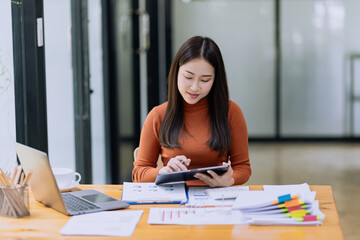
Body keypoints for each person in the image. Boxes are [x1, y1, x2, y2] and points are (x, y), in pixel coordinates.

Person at [132, 36, 251, 187]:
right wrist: (163, 171)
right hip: (173, 199)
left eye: (205, 80)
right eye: (188, 77)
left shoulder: (231, 112)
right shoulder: (158, 115)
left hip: (215, 199)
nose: (195, 87)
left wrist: (230, 179)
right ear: (176, 72)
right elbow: (138, 173)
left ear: (215, 80)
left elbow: (243, 168)